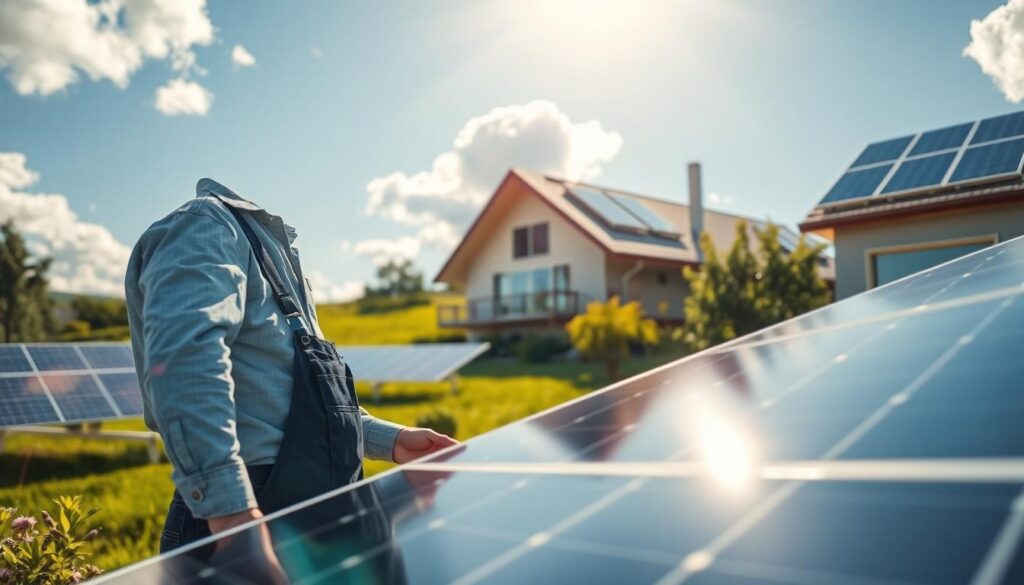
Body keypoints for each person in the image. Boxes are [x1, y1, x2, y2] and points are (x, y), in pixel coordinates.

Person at [124, 178, 458, 563]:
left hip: (315, 511)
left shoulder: (278, 260)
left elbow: (298, 408)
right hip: (250, 516)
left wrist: (393, 441)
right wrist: (232, 519)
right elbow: (185, 363)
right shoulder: (207, 225)